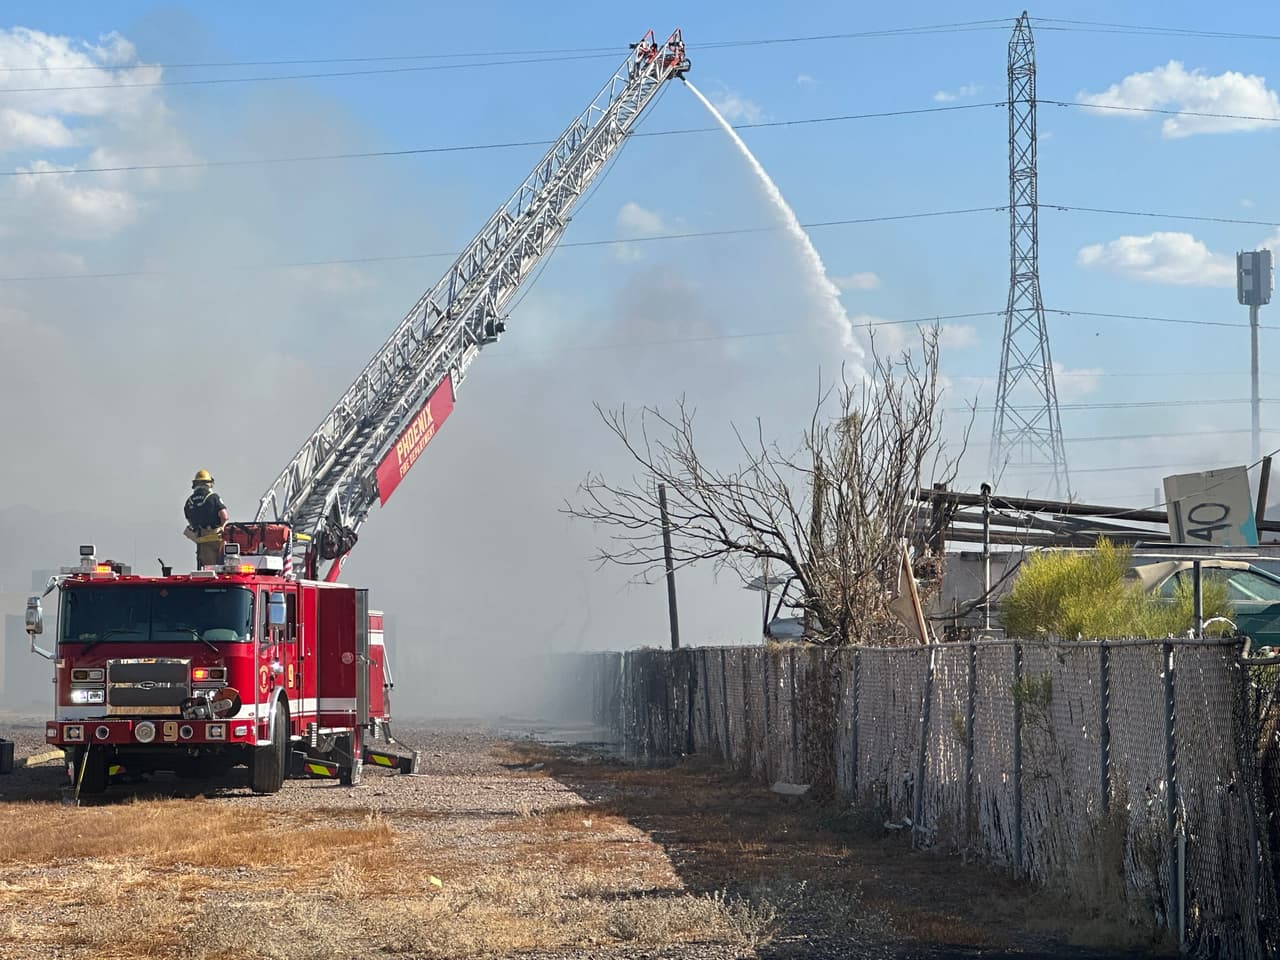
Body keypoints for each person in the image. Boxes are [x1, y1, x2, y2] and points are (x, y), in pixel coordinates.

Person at [184, 469, 229, 568]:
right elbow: (224, 516)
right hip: (216, 536)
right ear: (209, 483)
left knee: (209, 569)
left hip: (201, 539)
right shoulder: (213, 497)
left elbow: (188, 518)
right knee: (223, 568)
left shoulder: (189, 501)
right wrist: (222, 527)